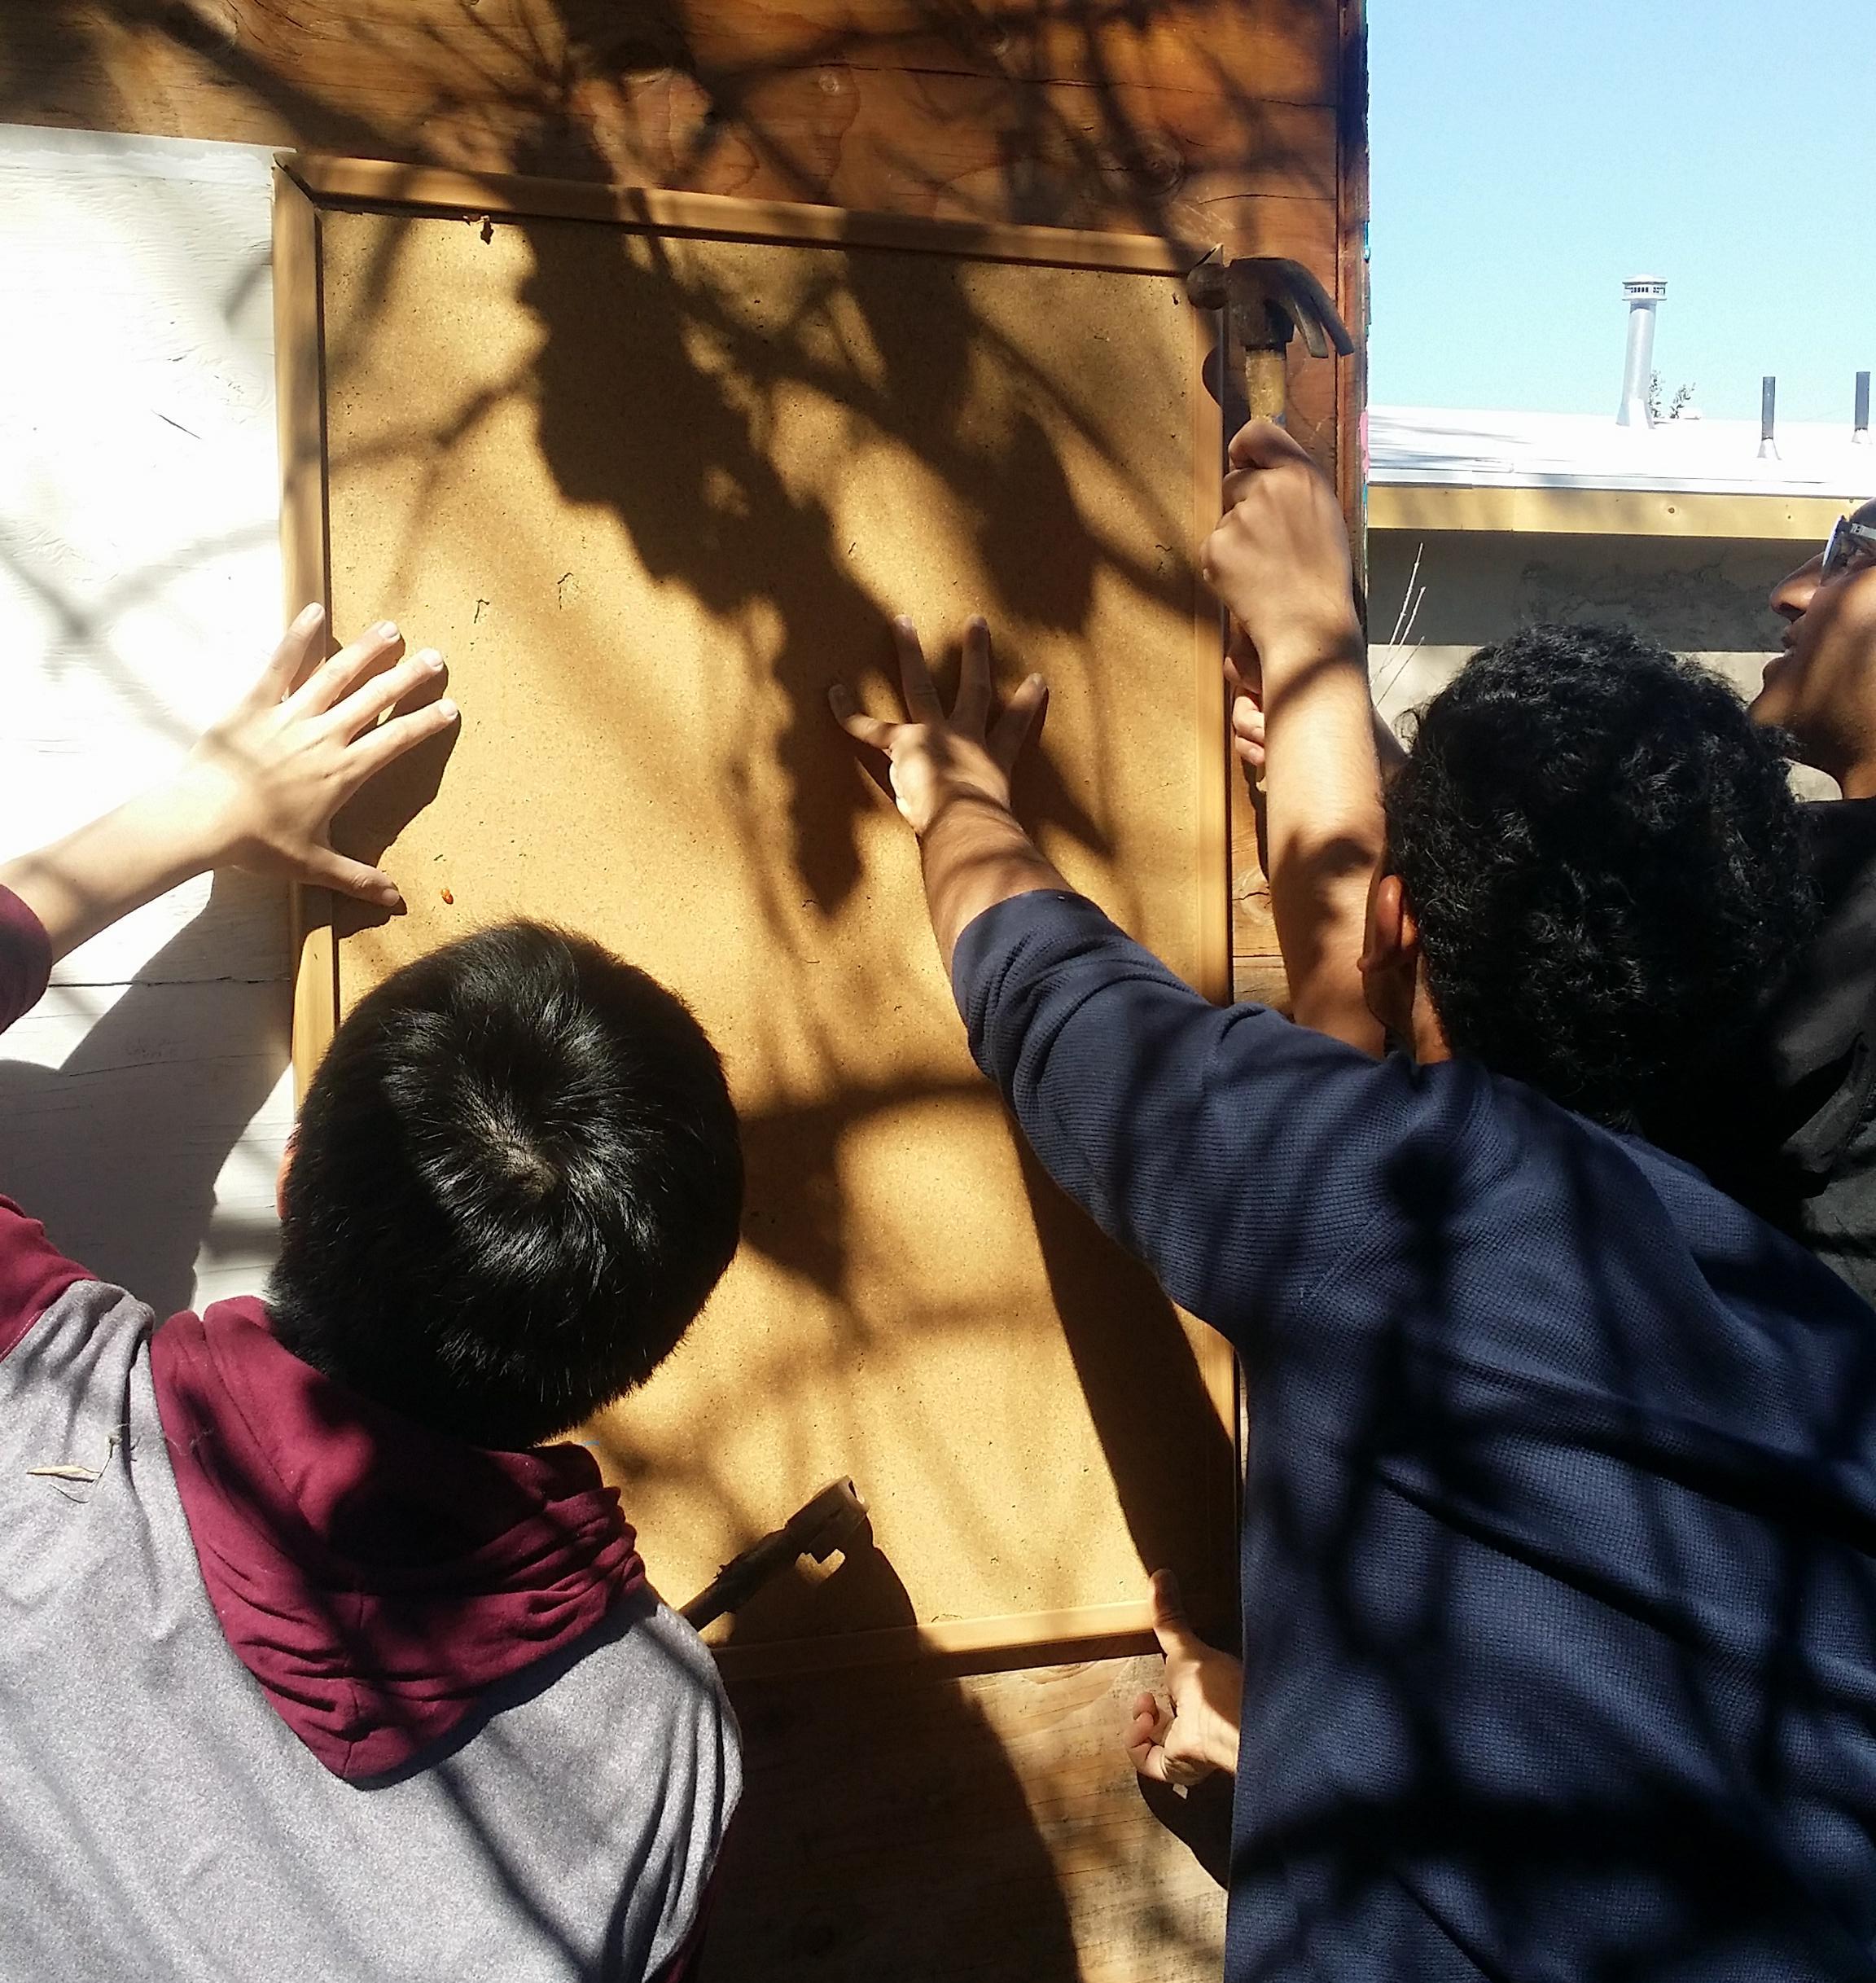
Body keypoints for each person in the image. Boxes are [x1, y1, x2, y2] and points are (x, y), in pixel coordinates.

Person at [831, 426, 1876, 1979]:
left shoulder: (1397, 1207)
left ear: (1397, 926)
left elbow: (1053, 993)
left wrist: (959, 793)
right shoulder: (1818, 1341)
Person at [0, 608, 741, 1982]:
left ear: (291, 1181)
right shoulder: (659, 1744)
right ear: (654, 1343)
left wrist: (199, 809)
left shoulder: (33, 1411)